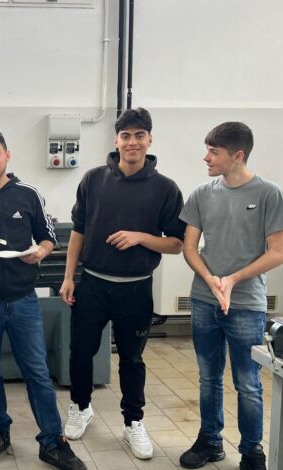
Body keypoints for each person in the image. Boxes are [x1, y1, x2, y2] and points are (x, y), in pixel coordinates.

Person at [0, 129, 86, 470]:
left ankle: (52, 440)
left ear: (7, 155)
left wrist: (40, 252)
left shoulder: (28, 194)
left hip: (24, 300)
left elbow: (48, 237)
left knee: (37, 371)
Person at [59, 108, 185, 460]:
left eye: (139, 135)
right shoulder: (93, 180)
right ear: (116, 140)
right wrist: (68, 277)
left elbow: (176, 244)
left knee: (131, 358)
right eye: (126, 135)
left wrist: (140, 237)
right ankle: (80, 406)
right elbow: (78, 232)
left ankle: (133, 422)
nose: (132, 142)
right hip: (93, 284)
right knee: (81, 351)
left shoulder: (165, 189)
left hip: (136, 288)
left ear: (149, 140)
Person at [178, 122, 283, 470]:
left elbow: (278, 252)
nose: (206, 157)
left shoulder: (268, 193)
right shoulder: (202, 194)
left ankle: (252, 451)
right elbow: (189, 247)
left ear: (237, 155)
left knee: (247, 382)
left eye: (214, 152)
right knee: (208, 377)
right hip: (204, 299)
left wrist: (232, 279)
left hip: (246, 304)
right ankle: (210, 441)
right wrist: (211, 280)